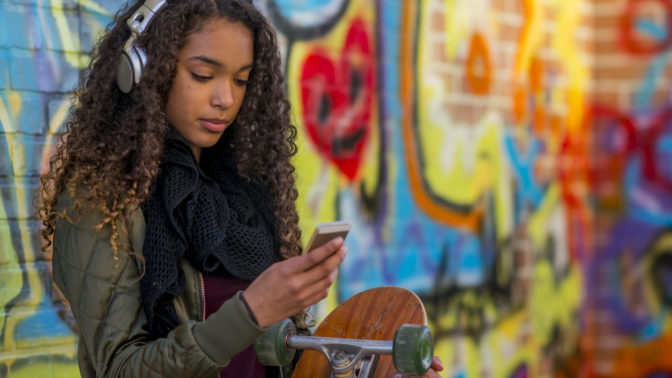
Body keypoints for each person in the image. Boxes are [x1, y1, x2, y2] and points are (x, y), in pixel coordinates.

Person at [37, 0, 443, 377]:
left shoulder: (244, 191)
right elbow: (120, 366)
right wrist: (249, 313)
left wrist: (366, 362)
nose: (225, 98)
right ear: (144, 71)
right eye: (202, 75)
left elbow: (273, 354)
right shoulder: (102, 197)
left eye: (242, 80)